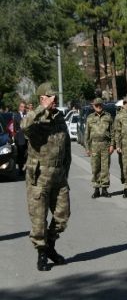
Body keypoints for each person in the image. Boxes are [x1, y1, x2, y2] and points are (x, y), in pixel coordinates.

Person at [21, 82, 71, 271]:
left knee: (62, 216)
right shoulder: (34, 119)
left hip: (58, 176)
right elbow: (24, 127)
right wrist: (41, 109)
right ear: (42, 98)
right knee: (39, 219)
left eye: (55, 97)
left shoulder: (59, 118)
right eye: (51, 96)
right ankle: (42, 253)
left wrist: (66, 171)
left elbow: (66, 148)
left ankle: (50, 246)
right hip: (40, 176)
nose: (55, 99)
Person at [85, 97, 114, 198]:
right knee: (95, 168)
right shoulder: (89, 118)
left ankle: (105, 189)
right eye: (96, 105)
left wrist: (112, 145)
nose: (98, 107)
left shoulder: (108, 117)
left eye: (100, 105)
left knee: (105, 168)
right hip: (94, 145)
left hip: (105, 145)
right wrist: (87, 148)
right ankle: (96, 189)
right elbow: (86, 135)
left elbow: (112, 132)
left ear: (102, 105)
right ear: (93, 106)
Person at [114, 99, 127, 183]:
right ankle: (124, 178)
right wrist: (117, 145)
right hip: (122, 144)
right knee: (122, 163)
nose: (126, 105)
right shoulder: (118, 116)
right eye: (124, 104)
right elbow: (116, 131)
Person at [14, 101, 28, 176]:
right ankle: (20, 169)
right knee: (20, 154)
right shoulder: (16, 116)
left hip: (27, 138)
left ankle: (27, 168)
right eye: (22, 107)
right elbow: (15, 128)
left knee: (27, 154)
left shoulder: (27, 115)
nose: (23, 108)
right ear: (19, 107)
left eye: (24, 107)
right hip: (20, 138)